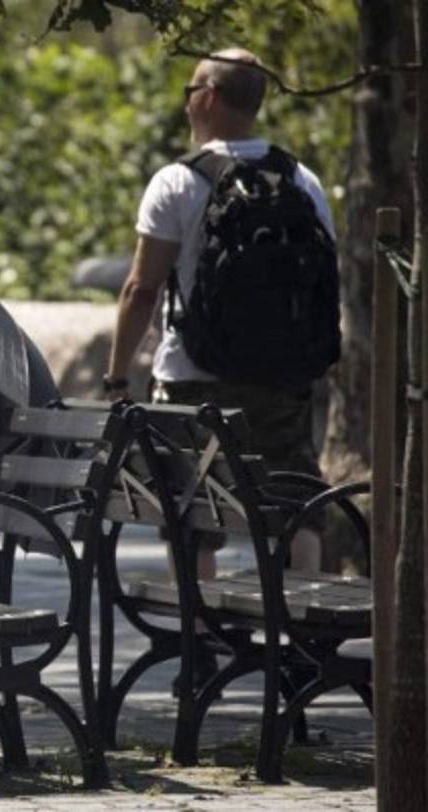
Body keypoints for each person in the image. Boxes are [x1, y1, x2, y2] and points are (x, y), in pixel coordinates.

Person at [105, 49, 335, 687]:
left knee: (193, 508)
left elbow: (141, 289)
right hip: (284, 380)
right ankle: (299, 640)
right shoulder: (303, 181)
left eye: (188, 89)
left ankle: (200, 648)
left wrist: (117, 376)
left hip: (193, 375)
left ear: (207, 96)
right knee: (297, 502)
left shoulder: (178, 182)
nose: (184, 101)